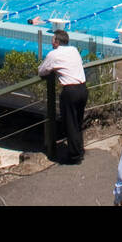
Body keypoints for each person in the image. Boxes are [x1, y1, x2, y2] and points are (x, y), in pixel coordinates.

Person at [38, 30, 88, 164]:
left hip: (70, 90)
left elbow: (42, 70)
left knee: (70, 123)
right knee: (77, 122)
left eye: (53, 39)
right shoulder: (74, 50)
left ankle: (74, 156)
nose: (51, 42)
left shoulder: (53, 54)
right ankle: (79, 150)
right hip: (83, 88)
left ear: (57, 42)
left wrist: (53, 70)